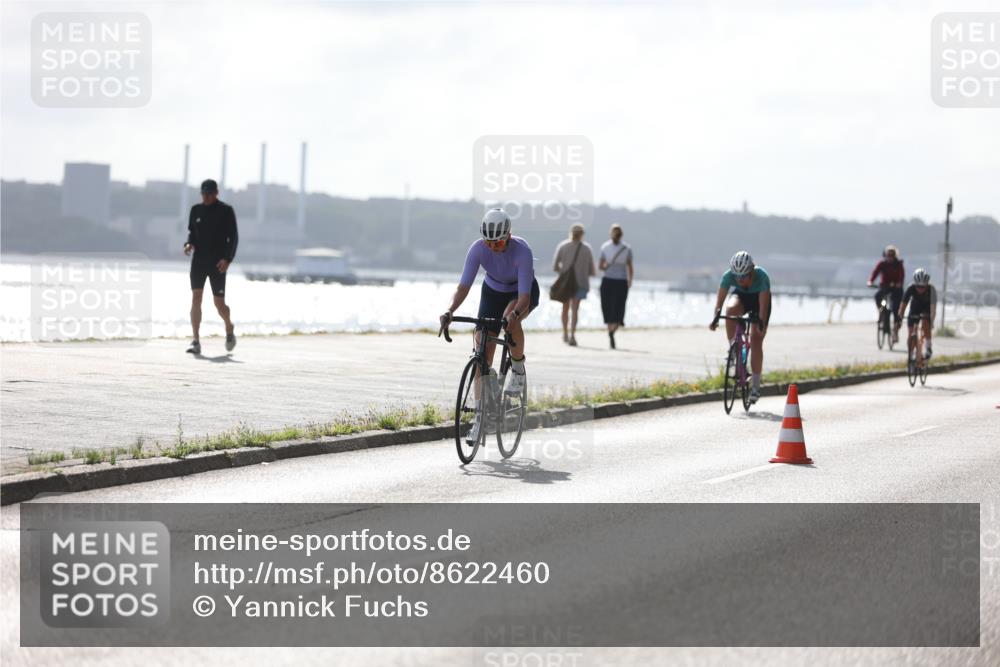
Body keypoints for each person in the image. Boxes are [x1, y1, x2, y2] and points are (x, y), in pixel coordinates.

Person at [439, 208, 539, 444]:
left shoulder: (522, 251)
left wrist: (515, 314)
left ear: (509, 235)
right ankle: (480, 419)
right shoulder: (477, 249)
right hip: (492, 291)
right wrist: (449, 311)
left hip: (520, 292)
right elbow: (463, 288)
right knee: (481, 350)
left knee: (509, 318)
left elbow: (524, 297)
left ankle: (517, 367)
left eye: (499, 242)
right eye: (489, 243)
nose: (494, 247)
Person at [183, 179, 238, 355]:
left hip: (217, 263)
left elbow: (234, 238)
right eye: (203, 194)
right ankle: (196, 341)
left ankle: (229, 327)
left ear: (216, 194)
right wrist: (188, 245)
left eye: (209, 194)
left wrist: (227, 260)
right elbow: (192, 233)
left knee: (219, 304)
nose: (206, 197)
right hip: (199, 261)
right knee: (196, 298)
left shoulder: (226, 211)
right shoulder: (196, 210)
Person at [709, 251, 772, 404]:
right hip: (742, 298)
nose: (739, 279)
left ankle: (756, 385)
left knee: (756, 339)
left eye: (743, 276)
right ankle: (734, 347)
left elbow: (763, 305)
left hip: (759, 301)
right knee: (730, 311)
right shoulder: (728, 276)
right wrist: (716, 317)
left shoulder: (762, 276)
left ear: (751, 271)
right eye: (736, 276)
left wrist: (761, 323)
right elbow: (720, 302)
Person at [552, 224, 595, 346]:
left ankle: (565, 333)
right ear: (582, 234)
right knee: (575, 309)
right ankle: (573, 335)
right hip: (581, 283)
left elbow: (555, 266)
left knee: (565, 308)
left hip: (566, 284)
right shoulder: (587, 249)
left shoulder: (563, 246)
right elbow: (592, 270)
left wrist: (564, 273)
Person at [598, 223, 633, 349]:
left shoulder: (626, 249)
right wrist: (606, 266)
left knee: (618, 308)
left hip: (620, 281)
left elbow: (629, 266)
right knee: (608, 307)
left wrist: (630, 280)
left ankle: (611, 331)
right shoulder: (605, 247)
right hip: (609, 280)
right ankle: (611, 332)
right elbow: (600, 266)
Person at [867, 244, 905, 343]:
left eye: (892, 255)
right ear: (885, 255)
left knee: (896, 309)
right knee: (877, 296)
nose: (889, 257)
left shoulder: (899, 265)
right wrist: (870, 281)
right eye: (888, 255)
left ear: (895, 256)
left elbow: (901, 276)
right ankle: (882, 312)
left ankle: (895, 332)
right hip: (885, 287)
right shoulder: (882, 264)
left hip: (896, 289)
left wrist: (899, 284)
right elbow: (875, 273)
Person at [898, 268, 937, 362]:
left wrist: (931, 321)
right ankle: (910, 355)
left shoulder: (932, 290)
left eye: (923, 287)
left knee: (926, 323)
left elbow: (933, 309)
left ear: (927, 285)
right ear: (914, 284)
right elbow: (903, 306)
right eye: (918, 286)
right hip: (915, 307)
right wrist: (900, 317)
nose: (920, 289)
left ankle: (928, 347)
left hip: (927, 308)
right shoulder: (910, 288)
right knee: (911, 332)